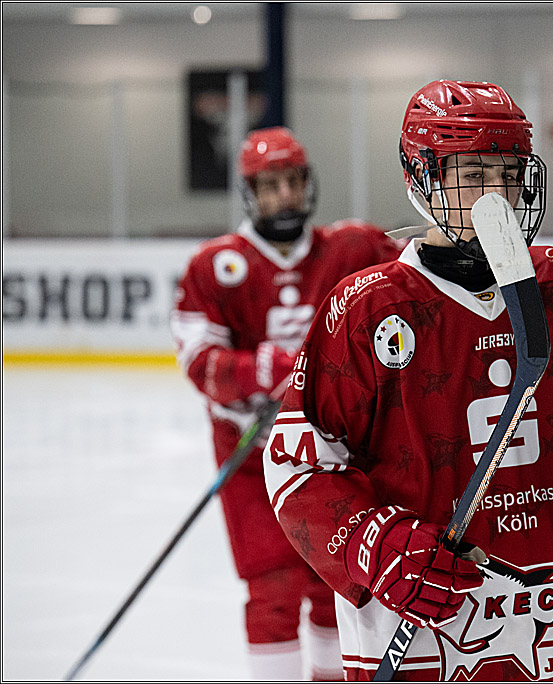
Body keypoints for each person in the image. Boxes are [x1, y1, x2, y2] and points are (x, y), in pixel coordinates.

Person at [262, 79, 553, 681]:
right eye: (473, 173)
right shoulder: (366, 308)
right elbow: (297, 468)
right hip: (428, 624)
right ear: (422, 176)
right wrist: (375, 545)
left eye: (508, 172)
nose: (496, 193)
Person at [170, 126, 401, 680]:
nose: (283, 196)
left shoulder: (354, 247)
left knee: (337, 582)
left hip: (333, 458)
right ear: (251, 192)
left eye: (292, 182)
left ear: (308, 184)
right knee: (271, 592)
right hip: (251, 459)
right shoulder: (215, 265)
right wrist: (265, 370)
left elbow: (410, 298)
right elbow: (199, 362)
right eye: (269, 185)